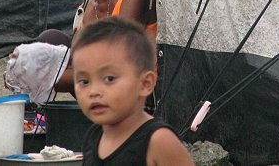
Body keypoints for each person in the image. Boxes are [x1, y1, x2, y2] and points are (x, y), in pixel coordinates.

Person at [71, 16, 194, 166]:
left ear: (145, 83)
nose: (93, 91)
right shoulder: (94, 137)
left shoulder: (158, 141)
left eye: (109, 79)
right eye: (84, 81)